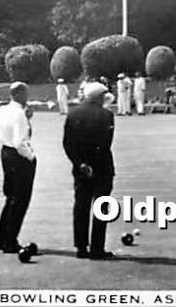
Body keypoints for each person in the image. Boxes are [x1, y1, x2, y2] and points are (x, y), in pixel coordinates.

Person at [62, 82, 115, 260]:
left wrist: (80, 163)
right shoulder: (107, 115)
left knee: (81, 206)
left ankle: (81, 247)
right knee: (101, 207)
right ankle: (97, 248)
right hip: (102, 167)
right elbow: (106, 143)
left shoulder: (73, 113)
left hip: (81, 168)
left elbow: (67, 143)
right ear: (100, 97)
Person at [0, 82, 37, 253]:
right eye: (26, 94)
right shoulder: (19, 113)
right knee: (20, 199)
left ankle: (2, 237)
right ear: (19, 94)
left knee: (11, 197)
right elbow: (20, 141)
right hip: (18, 156)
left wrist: (27, 119)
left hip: (5, 152)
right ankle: (10, 240)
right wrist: (31, 157)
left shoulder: (2, 110)